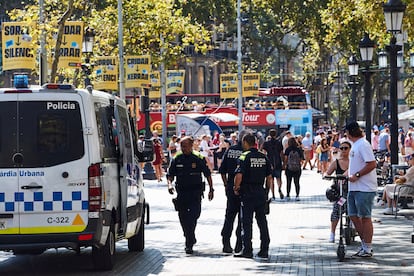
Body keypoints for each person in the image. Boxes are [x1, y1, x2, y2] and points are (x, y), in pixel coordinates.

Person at [167, 136, 214, 254]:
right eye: (182, 146)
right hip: (182, 193)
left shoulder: (198, 158)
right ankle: (189, 240)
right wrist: (169, 185)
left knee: (194, 216)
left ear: (191, 146)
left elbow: (207, 174)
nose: (183, 148)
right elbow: (170, 175)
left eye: (185, 146)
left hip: (195, 193)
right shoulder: (177, 158)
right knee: (183, 217)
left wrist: (211, 189)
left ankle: (190, 236)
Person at [233, 133, 272, 259]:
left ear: (245, 142)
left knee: (246, 222)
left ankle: (247, 250)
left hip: (248, 192)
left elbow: (239, 175)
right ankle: (264, 249)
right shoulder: (263, 156)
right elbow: (269, 177)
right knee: (262, 221)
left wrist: (236, 187)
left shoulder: (244, 156)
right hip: (260, 192)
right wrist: (266, 191)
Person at [345, 121, 377, 258]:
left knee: (365, 217)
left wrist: (357, 175)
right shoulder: (355, 146)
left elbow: (372, 163)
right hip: (353, 187)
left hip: (364, 187)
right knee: (352, 215)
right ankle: (364, 244)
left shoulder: (363, 145)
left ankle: (367, 247)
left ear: (350, 132)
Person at [219, 129, 249, 254]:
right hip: (243, 188)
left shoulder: (229, 150)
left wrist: (226, 184)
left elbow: (222, 170)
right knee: (242, 217)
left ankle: (226, 243)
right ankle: (238, 244)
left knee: (229, 216)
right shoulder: (246, 152)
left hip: (231, 187)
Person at [324, 141, 351, 242]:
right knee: (337, 209)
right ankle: (332, 232)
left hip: (352, 190)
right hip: (340, 192)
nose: (344, 150)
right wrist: (326, 176)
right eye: (342, 148)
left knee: (353, 210)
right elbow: (328, 172)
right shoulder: (336, 162)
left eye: (346, 148)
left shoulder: (353, 162)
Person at [262, 129, 284, 200]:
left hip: (269, 162)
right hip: (278, 162)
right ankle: (279, 189)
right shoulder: (279, 142)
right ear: (275, 134)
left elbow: (264, 153)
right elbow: (281, 153)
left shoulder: (266, 143)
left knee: (271, 179)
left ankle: (273, 194)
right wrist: (283, 162)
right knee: (279, 178)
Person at [284, 137, 304, 201]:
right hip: (297, 168)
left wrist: (284, 165)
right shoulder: (299, 149)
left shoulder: (288, 149)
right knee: (297, 182)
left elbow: (286, 159)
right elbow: (301, 159)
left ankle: (288, 195)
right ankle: (297, 195)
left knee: (288, 182)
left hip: (289, 168)